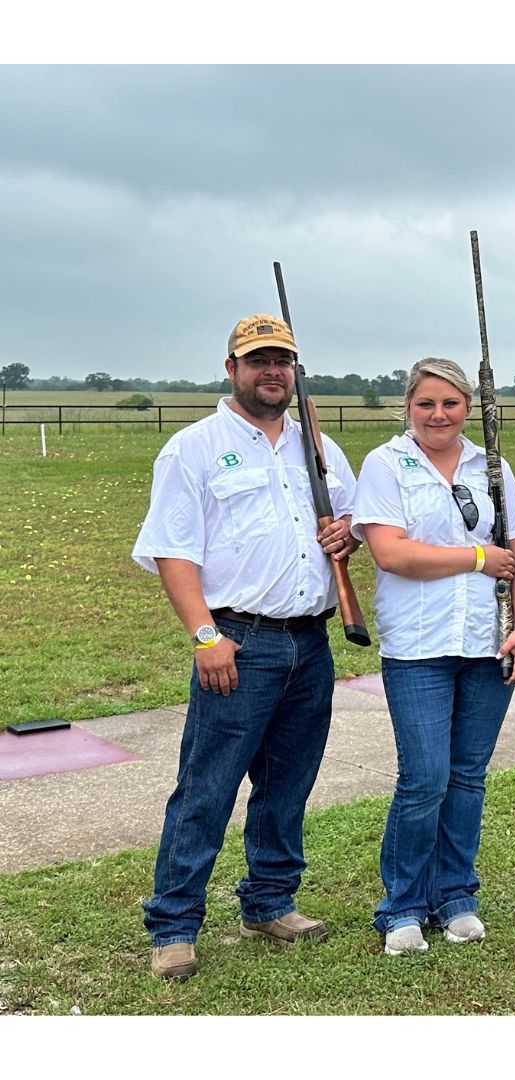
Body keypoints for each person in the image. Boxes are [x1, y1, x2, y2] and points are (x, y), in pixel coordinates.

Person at [132, 314, 358, 981]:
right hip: (238, 640)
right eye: (258, 360)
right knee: (207, 788)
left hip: (309, 642)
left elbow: (349, 524)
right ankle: (173, 927)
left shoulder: (317, 446)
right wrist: (206, 637)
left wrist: (349, 536)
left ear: (295, 371)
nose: (272, 372)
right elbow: (173, 551)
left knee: (286, 785)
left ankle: (269, 902)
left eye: (283, 361)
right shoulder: (194, 449)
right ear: (231, 369)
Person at [351, 358, 515, 956]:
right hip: (418, 646)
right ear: (409, 405)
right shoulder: (386, 464)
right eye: (426, 403)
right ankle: (401, 905)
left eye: (451, 403)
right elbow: (391, 552)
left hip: (488, 640)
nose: (439, 414)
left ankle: (456, 895)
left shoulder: (494, 466)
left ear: (467, 408)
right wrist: (476, 558)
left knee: (466, 777)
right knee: (424, 777)